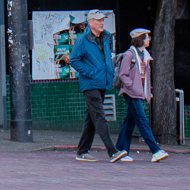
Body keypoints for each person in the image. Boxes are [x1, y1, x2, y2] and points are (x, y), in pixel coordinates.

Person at [68, 10, 129, 162]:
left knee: (92, 117)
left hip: (102, 82)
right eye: (98, 20)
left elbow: (104, 59)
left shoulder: (105, 38)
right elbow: (74, 60)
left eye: (102, 20)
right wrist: (90, 72)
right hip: (90, 84)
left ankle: (82, 151)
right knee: (100, 116)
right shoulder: (83, 40)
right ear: (90, 23)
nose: (102, 22)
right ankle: (112, 151)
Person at [115, 28, 167, 162]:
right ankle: (155, 150)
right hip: (131, 92)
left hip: (138, 92)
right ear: (140, 39)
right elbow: (123, 74)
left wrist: (146, 92)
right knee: (142, 121)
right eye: (147, 37)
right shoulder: (129, 54)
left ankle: (121, 150)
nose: (149, 39)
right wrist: (131, 86)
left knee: (129, 122)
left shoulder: (145, 54)